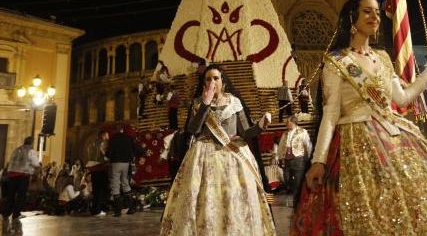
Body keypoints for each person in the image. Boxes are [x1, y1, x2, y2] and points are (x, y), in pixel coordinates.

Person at [290, 0, 427, 235]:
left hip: (392, 134)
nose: (375, 17)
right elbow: (330, 113)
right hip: (354, 139)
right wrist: (319, 160)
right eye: (368, 12)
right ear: (352, 18)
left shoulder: (382, 58)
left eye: (378, 13)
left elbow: (401, 98)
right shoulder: (337, 61)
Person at [160, 64, 276, 236]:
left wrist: (260, 125)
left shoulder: (234, 102)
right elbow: (193, 129)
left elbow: (246, 132)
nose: (212, 81)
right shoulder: (198, 103)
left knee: (233, 197)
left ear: (223, 81)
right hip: (204, 156)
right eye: (208, 78)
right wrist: (205, 104)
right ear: (204, 82)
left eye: (216, 78)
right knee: (206, 199)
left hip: (233, 156)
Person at [2, 136, 41, 231]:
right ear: (31, 143)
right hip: (22, 176)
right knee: (21, 196)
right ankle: (16, 214)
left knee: (10, 195)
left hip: (11, 175)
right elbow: (36, 163)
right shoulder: (30, 151)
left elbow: (10, 161)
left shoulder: (16, 149)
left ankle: (6, 213)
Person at [106, 126, 143, 217]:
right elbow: (137, 149)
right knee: (125, 183)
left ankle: (118, 210)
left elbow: (109, 152)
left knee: (115, 184)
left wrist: (107, 156)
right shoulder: (128, 138)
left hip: (116, 163)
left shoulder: (113, 139)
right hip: (126, 163)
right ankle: (131, 208)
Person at [277, 115, 312, 206]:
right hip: (287, 159)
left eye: (288, 122)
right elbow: (280, 147)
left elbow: (307, 144)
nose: (286, 123)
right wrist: (280, 157)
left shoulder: (302, 132)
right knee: (287, 178)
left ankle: (297, 201)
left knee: (298, 181)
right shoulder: (285, 134)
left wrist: (308, 157)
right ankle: (294, 192)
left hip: (298, 159)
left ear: (293, 122)